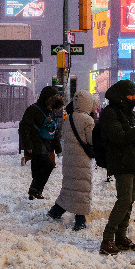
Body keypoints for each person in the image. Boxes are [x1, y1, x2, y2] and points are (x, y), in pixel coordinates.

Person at [97, 79, 135, 256]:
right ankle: (107, 239)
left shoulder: (130, 113)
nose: (134, 98)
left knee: (130, 200)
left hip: (133, 160)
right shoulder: (110, 113)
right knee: (123, 199)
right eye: (131, 95)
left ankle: (121, 236)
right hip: (120, 161)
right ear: (121, 96)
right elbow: (119, 137)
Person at [49, 90, 99, 232]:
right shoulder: (87, 120)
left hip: (69, 159)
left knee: (69, 186)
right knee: (82, 189)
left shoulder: (68, 118)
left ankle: (56, 211)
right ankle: (80, 221)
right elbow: (91, 140)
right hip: (82, 160)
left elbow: (63, 136)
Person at [19, 86, 64, 200]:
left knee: (37, 168)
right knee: (48, 165)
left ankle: (35, 192)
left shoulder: (50, 111)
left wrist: (57, 147)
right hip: (35, 145)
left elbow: (53, 130)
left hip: (45, 144)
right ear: (47, 98)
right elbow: (24, 128)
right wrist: (27, 145)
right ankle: (35, 190)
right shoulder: (33, 109)